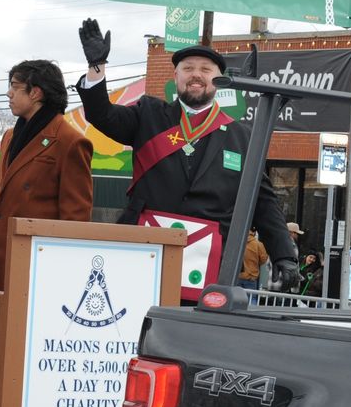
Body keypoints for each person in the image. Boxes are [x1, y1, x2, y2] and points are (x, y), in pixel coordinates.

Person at [74, 19, 298, 290]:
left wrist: (285, 256)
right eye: (188, 68)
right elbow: (103, 115)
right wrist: (97, 68)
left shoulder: (242, 136)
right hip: (144, 253)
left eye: (205, 69)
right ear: (175, 77)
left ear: (218, 80)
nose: (196, 75)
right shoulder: (149, 114)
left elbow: (262, 201)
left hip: (212, 264)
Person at [0, 60, 94, 346]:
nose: (8, 94)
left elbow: (75, 219)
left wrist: (61, 271)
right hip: (1, 262)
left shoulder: (70, 141)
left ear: (36, 93)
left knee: (25, 350)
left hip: (38, 270)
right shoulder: (9, 136)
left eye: (15, 87)